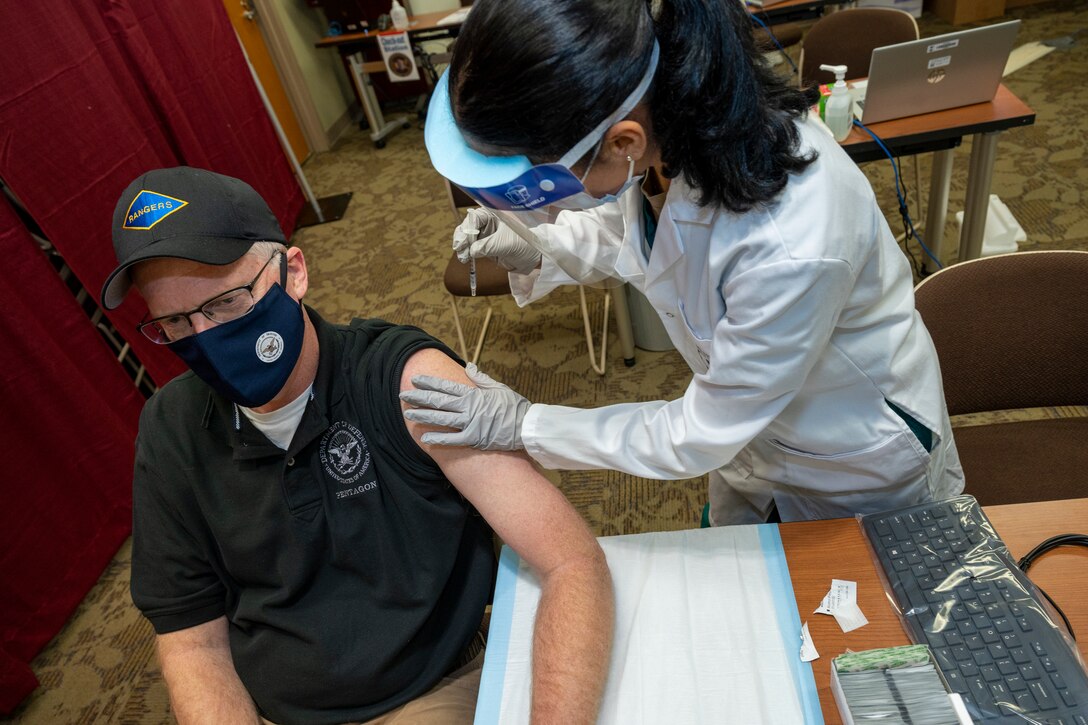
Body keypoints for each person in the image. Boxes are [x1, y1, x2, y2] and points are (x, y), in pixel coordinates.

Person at [400, 0, 965, 526]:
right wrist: (537, 250)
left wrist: (526, 425)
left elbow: (698, 432)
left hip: (851, 457)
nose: (544, 206)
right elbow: (640, 231)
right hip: (754, 436)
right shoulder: (671, 126)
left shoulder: (790, 239)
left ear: (623, 141)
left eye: (541, 183)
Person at [100, 166, 614, 725]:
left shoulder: (402, 381)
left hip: (424, 692)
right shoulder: (172, 428)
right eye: (174, 321)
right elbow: (191, 641)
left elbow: (570, 562)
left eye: (226, 302)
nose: (205, 338)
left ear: (293, 272)